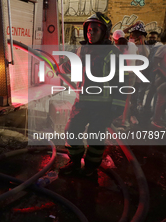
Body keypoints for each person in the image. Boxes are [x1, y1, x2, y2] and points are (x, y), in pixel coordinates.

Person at [58, 12, 128, 176]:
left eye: (95, 30)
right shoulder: (81, 50)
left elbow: (122, 82)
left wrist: (117, 107)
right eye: (89, 30)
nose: (90, 34)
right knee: (71, 131)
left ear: (104, 32)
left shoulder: (113, 54)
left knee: (95, 139)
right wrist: (59, 68)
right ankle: (74, 163)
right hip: (82, 103)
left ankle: (90, 169)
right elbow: (69, 66)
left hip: (103, 107)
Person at [113, 29, 137, 127]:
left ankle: (113, 118)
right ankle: (125, 121)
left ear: (114, 40)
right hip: (131, 74)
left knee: (116, 97)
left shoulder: (115, 48)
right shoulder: (133, 45)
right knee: (127, 99)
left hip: (119, 74)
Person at [128, 23, 150, 115]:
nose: (136, 37)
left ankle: (132, 115)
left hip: (137, 77)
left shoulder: (145, 47)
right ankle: (123, 116)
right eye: (134, 34)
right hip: (127, 75)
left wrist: (142, 43)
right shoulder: (128, 45)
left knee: (134, 97)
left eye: (138, 35)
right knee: (124, 97)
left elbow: (146, 55)